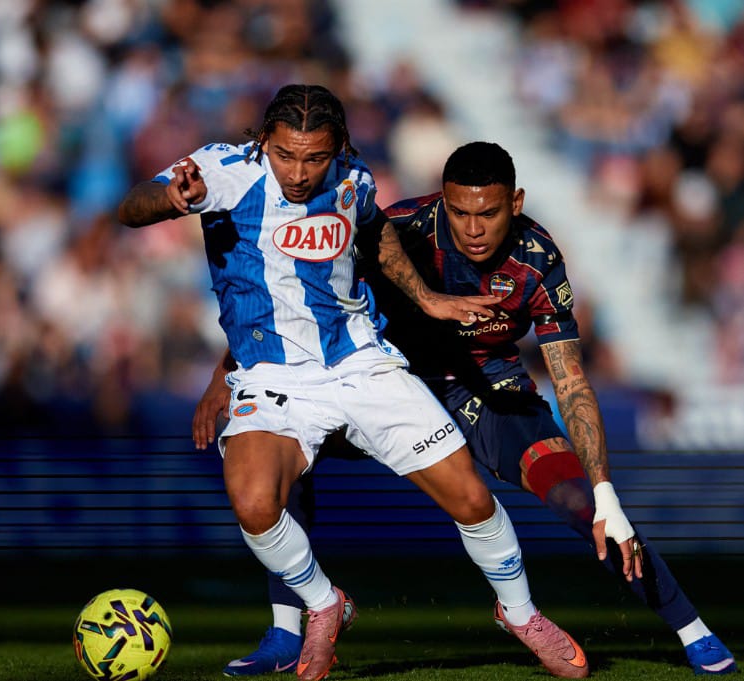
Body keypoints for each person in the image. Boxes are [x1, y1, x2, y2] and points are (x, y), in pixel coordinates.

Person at [194, 141, 738, 677]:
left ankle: (692, 631)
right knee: (282, 460)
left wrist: (605, 493)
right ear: (442, 200)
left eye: (488, 213)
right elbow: (293, 300)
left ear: (515, 203)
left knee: (585, 505)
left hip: (487, 390)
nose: (473, 228)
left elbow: (570, 380)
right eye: (459, 212)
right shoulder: (398, 230)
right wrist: (226, 375)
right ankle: (287, 633)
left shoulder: (537, 258)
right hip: (379, 385)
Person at [120, 86, 591, 681]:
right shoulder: (222, 170)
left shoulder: (353, 178)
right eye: (286, 155)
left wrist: (427, 297)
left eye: (314, 157)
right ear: (264, 141)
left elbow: (376, 232)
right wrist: (169, 199)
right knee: (255, 503)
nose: (298, 172)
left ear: (338, 147)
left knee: (471, 499)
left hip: (361, 363)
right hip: (272, 375)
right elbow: (130, 207)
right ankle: (324, 603)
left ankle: (521, 615)